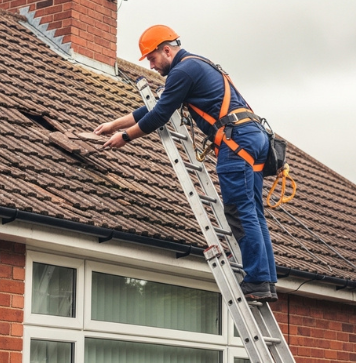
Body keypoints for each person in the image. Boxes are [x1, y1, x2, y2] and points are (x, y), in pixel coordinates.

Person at [94, 25, 278, 302]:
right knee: (252, 212)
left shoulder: (182, 71)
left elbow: (159, 116)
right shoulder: (197, 66)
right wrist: (113, 124)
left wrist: (125, 137)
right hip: (253, 138)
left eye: (153, 59)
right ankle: (266, 280)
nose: (152, 66)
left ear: (166, 50)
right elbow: (156, 106)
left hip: (235, 141)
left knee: (241, 213)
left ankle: (257, 281)